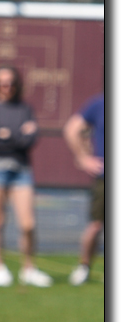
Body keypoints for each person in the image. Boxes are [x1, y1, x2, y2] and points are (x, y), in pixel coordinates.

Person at [0, 67, 52, 288]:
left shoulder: (24, 108)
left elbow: (31, 140)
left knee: (28, 223)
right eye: (2, 83)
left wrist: (8, 135)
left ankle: (29, 268)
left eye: (10, 83)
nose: (7, 87)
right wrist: (19, 135)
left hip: (21, 169)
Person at [63, 93, 104, 285]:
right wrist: (83, 158)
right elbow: (72, 129)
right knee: (96, 224)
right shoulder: (98, 104)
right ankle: (84, 266)